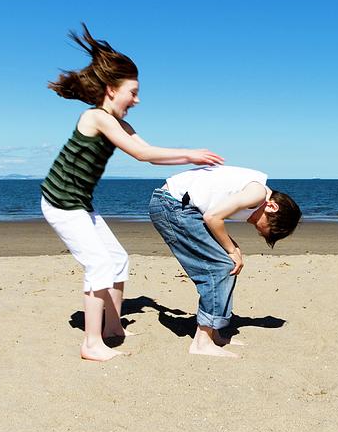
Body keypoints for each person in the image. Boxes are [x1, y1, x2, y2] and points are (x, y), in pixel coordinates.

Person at [41, 23, 223, 362]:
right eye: (132, 92)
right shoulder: (96, 117)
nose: (137, 99)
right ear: (111, 89)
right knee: (98, 264)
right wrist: (191, 152)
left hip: (79, 203)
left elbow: (150, 153)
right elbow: (142, 155)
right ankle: (91, 343)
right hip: (60, 203)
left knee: (118, 259)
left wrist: (191, 161)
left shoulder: (119, 123)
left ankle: (113, 329)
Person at [148, 165, 302, 357]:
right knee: (221, 267)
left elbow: (211, 215)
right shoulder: (257, 193)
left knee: (227, 264)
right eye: (258, 224)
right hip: (172, 206)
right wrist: (232, 249)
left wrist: (233, 248)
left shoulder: (256, 192)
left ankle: (213, 333)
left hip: (179, 206)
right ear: (272, 206)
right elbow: (212, 217)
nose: (253, 223)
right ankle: (202, 341)